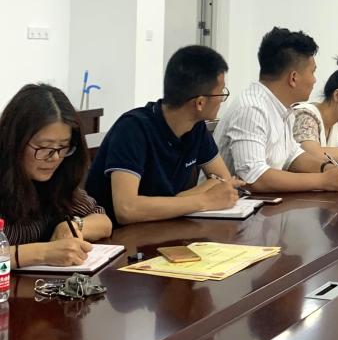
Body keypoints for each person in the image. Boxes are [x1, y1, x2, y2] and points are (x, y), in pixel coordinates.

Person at [86, 45, 241, 225]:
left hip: (163, 226)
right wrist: (204, 199)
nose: (222, 98)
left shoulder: (196, 127)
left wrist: (178, 199)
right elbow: (127, 209)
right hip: (119, 236)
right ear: (200, 102)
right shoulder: (133, 129)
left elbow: (224, 182)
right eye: (221, 92)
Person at [215, 27, 338, 192]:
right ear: (293, 78)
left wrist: (326, 168)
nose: (314, 80)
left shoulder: (284, 108)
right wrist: (323, 180)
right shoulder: (251, 108)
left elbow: (292, 155)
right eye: (312, 72)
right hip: (235, 204)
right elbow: (254, 178)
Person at [0, 84, 110, 267]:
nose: (55, 157)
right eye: (44, 147)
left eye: (63, 147)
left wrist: (73, 225)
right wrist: (43, 253)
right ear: (14, 141)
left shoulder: (55, 180)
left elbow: (103, 220)